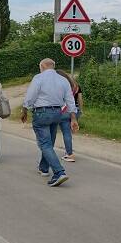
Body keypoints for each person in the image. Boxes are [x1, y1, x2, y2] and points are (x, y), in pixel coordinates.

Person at [21, 58, 78, 187]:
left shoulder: (39, 78)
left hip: (42, 113)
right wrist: (73, 118)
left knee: (45, 144)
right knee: (49, 142)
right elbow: (70, 100)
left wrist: (24, 109)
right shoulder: (63, 80)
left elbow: (30, 96)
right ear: (53, 66)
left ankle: (59, 172)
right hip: (58, 113)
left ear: (42, 66)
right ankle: (44, 168)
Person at [55, 70, 81, 162]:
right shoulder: (74, 86)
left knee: (54, 131)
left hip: (61, 111)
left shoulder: (58, 85)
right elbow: (78, 98)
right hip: (72, 110)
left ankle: (48, 152)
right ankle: (69, 153)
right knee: (67, 133)